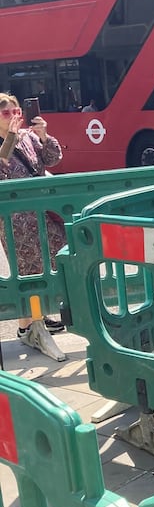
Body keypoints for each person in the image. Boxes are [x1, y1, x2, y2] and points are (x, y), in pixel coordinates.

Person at [0, 93, 67, 359]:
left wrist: (44, 135)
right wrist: (11, 138)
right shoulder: (12, 139)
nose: (15, 116)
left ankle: (33, 321)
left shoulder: (28, 136)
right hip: (16, 220)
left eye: (17, 111)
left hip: (43, 213)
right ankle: (30, 326)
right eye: (7, 113)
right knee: (27, 270)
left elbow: (52, 159)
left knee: (55, 258)